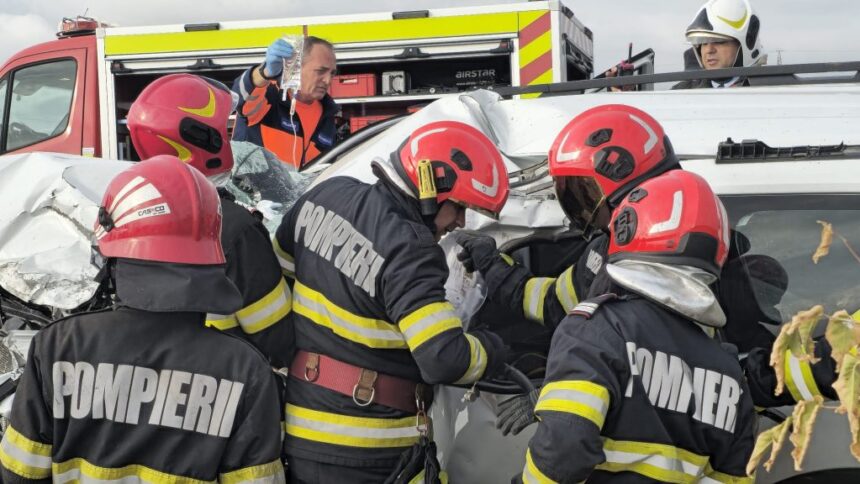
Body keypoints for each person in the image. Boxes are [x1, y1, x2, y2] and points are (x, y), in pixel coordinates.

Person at [0, 155, 285, 483]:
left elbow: (19, 473)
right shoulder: (245, 371)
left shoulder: (57, 347)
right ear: (209, 255)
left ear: (114, 251)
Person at [272, 120, 509, 482]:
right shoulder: (410, 249)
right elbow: (444, 359)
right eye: (460, 206)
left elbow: (280, 275)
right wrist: (495, 349)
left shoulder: (327, 195)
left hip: (303, 431)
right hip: (370, 448)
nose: (460, 220)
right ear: (433, 188)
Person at [520, 169, 755, 483]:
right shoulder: (729, 374)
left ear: (629, 227)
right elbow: (734, 477)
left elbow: (563, 451)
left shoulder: (596, 331)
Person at [456, 104, 680, 330]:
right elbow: (552, 301)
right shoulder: (602, 248)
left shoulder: (675, 258)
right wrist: (492, 264)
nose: (581, 206)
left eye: (585, 191)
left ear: (620, 175)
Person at [128, 73, 294, 367]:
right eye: (224, 128)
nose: (230, 136)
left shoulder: (131, 215)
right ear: (202, 138)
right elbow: (279, 340)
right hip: (226, 386)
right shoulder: (232, 228)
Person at [233, 36, 338, 168]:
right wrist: (264, 72)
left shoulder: (327, 115)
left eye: (332, 73)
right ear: (296, 67)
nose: (327, 80)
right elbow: (239, 97)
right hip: (250, 188)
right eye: (320, 71)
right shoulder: (269, 95)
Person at [673, 0, 765, 89]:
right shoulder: (680, 93)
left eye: (719, 41)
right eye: (703, 43)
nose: (709, 50)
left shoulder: (767, 93)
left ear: (746, 44)